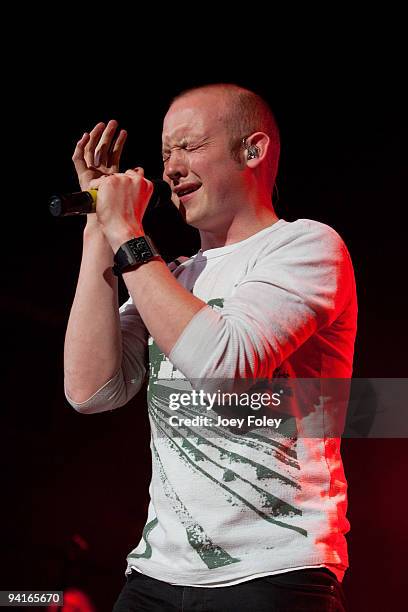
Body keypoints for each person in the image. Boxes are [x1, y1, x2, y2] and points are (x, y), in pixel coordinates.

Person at [64, 83, 356, 611]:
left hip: (275, 573)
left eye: (190, 146)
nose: (171, 168)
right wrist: (97, 230)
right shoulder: (167, 276)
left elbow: (224, 370)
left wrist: (126, 230)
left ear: (253, 150)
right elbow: (91, 389)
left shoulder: (307, 246)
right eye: (164, 153)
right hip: (156, 573)